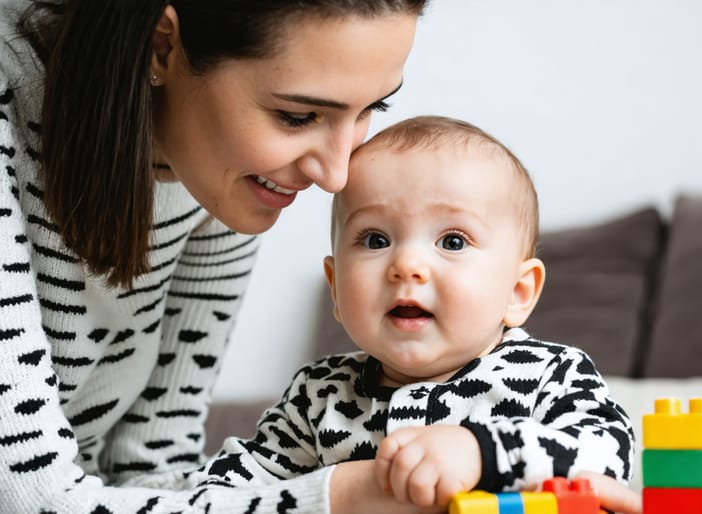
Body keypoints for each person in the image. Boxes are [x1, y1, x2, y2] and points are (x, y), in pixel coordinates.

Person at [0, 0, 431, 512]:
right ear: (163, 46)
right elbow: (31, 500)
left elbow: (153, 469)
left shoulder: (215, 167)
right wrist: (342, 495)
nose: (335, 175)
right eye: (297, 116)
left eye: (371, 110)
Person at [168, 115, 639, 513]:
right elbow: (222, 495)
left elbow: (609, 453)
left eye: (453, 241)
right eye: (376, 239)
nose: (406, 266)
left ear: (517, 292)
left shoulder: (548, 375)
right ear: (335, 288)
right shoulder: (318, 397)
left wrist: (481, 451)